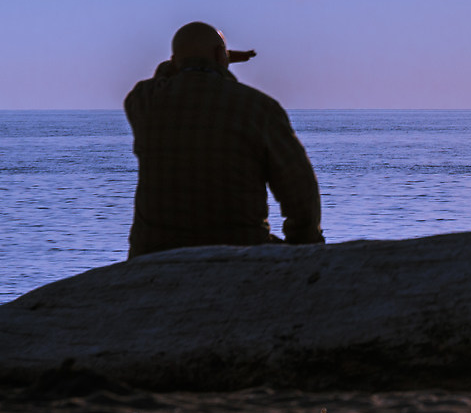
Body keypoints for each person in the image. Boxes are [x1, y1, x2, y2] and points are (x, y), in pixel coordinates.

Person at [123, 20, 324, 258]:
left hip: (154, 250)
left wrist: (191, 61)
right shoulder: (259, 108)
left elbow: (164, 74)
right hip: (241, 247)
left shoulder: (143, 101)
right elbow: (299, 186)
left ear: (174, 59)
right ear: (220, 54)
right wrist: (305, 243)